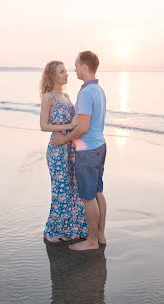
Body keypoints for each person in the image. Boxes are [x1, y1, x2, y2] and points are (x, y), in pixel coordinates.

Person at [51, 51, 107, 251]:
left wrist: (65, 138)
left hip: (88, 150)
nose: (74, 69)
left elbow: (82, 127)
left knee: (88, 197)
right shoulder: (99, 90)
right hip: (100, 146)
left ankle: (91, 241)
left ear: (84, 67)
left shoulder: (85, 93)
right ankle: (100, 235)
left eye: (76, 65)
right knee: (98, 192)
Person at [40, 60, 88, 243]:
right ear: (52, 75)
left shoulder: (67, 96)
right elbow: (43, 126)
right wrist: (69, 125)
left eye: (66, 71)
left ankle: (73, 228)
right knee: (61, 190)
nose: (66, 74)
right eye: (62, 72)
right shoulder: (48, 97)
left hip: (71, 148)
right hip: (57, 150)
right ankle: (54, 231)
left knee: (74, 188)